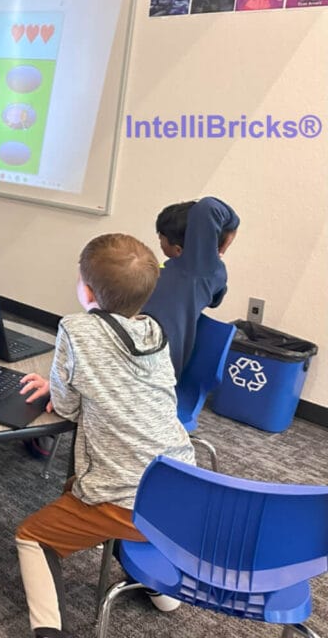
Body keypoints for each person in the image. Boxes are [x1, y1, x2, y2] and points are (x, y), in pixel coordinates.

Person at [15, 233, 196, 638]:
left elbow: (66, 407)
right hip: (180, 487)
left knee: (30, 536)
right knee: (93, 492)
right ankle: (165, 593)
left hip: (121, 497)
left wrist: (56, 386)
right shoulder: (155, 332)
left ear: (87, 290)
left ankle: (49, 630)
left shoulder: (76, 330)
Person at [144, 196, 239, 378]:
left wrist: (229, 236)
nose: (159, 243)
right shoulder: (192, 271)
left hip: (156, 368)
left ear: (179, 249)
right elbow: (215, 298)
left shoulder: (198, 271)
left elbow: (209, 207)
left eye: (161, 239)